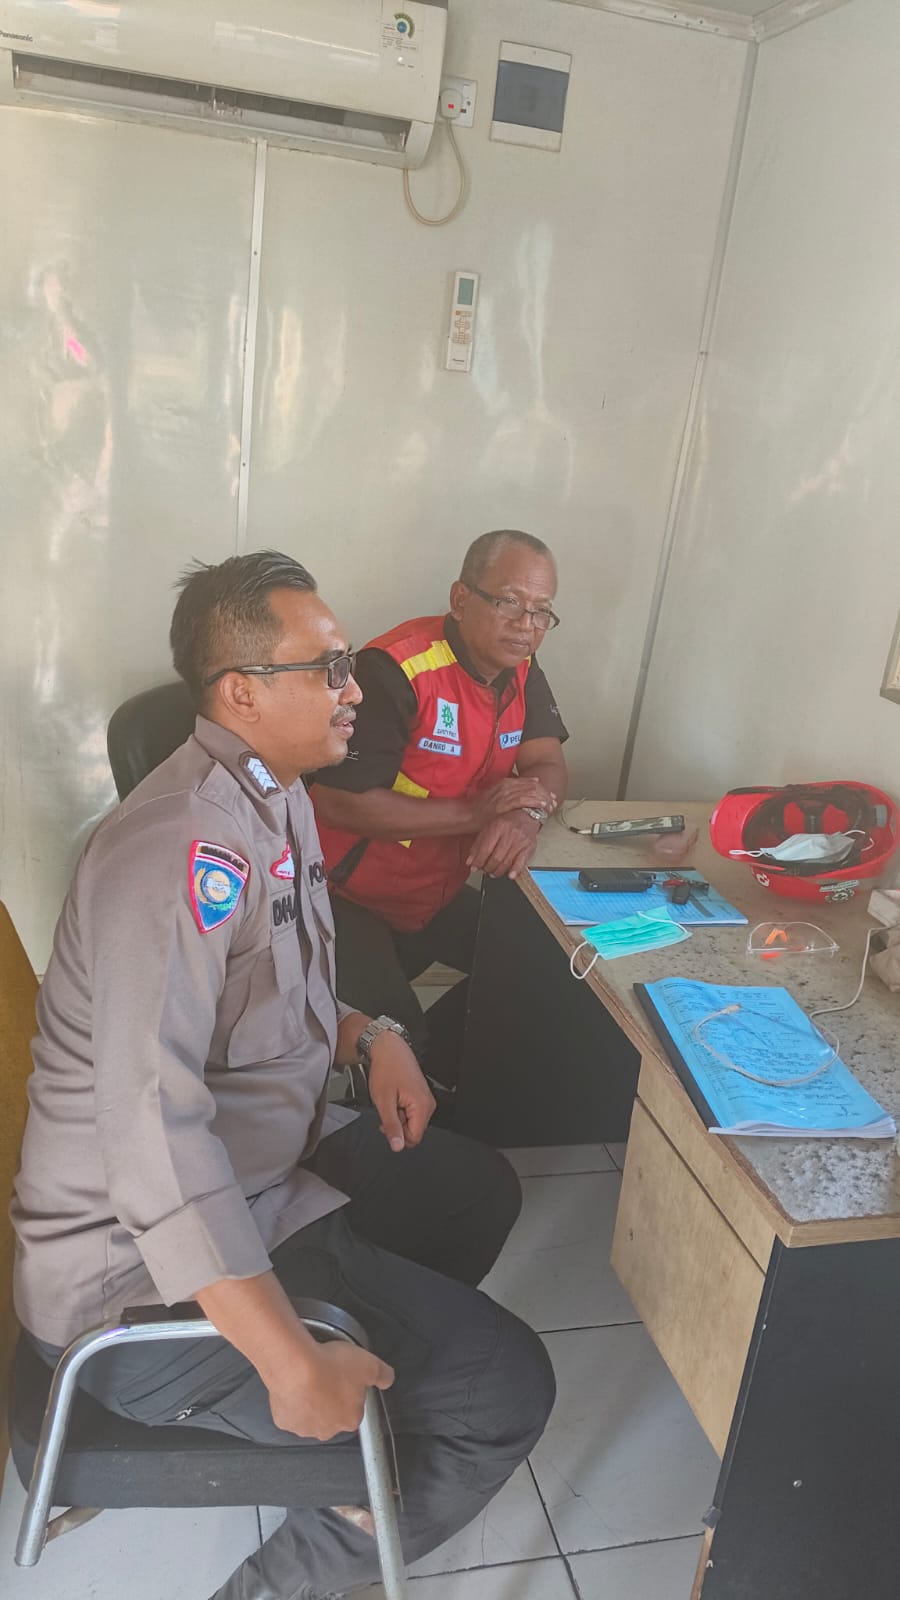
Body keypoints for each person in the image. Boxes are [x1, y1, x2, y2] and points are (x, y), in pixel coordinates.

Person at [11, 551, 555, 1600]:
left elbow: (274, 991)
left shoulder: (273, 795)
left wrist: (369, 1036)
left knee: (474, 1187)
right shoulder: (178, 850)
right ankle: (280, 1569)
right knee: (506, 1390)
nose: (356, 689)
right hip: (136, 1279)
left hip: (261, 1173)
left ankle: (363, 1406)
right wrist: (285, 1358)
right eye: (331, 668)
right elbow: (150, 1132)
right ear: (243, 692)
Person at [311, 529, 569, 1094]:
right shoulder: (395, 670)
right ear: (460, 598)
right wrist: (478, 814)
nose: (526, 626)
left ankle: (446, 1092)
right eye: (509, 602)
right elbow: (337, 800)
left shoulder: (522, 668)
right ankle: (395, 1105)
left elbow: (546, 762)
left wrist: (524, 816)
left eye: (541, 612)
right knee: (399, 1039)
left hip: (431, 892)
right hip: (343, 896)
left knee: (541, 966)